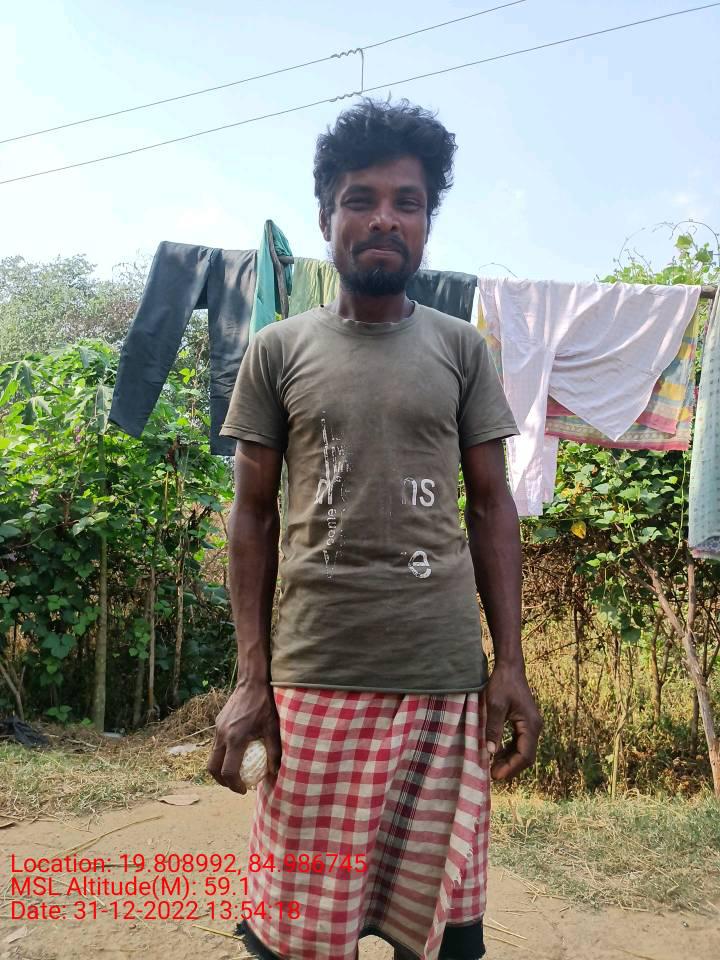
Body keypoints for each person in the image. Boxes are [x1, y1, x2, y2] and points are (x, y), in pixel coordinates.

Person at [208, 98, 541, 960]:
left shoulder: (462, 350)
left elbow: (492, 505)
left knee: (441, 937)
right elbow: (251, 514)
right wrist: (251, 677)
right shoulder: (278, 350)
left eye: (408, 202)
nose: (385, 218)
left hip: (442, 687)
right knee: (298, 937)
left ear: (427, 223)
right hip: (314, 684)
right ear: (328, 218)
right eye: (361, 199)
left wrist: (509, 664)